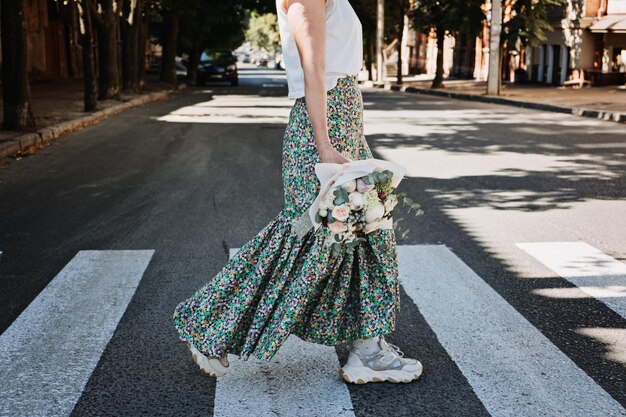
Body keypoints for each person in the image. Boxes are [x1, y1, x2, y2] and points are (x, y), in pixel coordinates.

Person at [172, 0, 423, 384]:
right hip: (325, 126)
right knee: (310, 238)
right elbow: (313, 69)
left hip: (341, 120)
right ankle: (211, 328)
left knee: (365, 233)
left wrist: (348, 136)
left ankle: (366, 349)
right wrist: (325, 145)